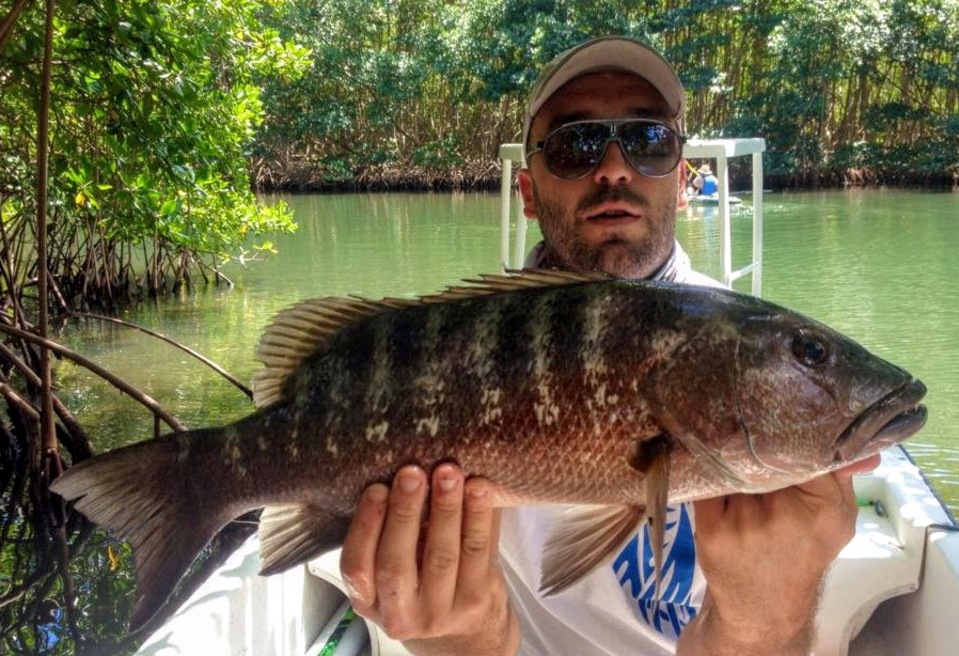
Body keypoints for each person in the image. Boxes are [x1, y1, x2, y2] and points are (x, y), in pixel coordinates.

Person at [339, 36, 876, 655]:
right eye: (576, 145)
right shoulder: (461, 347)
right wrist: (462, 639)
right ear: (528, 192)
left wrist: (766, 621)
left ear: (681, 181)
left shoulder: (739, 349)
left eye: (650, 142)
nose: (615, 168)